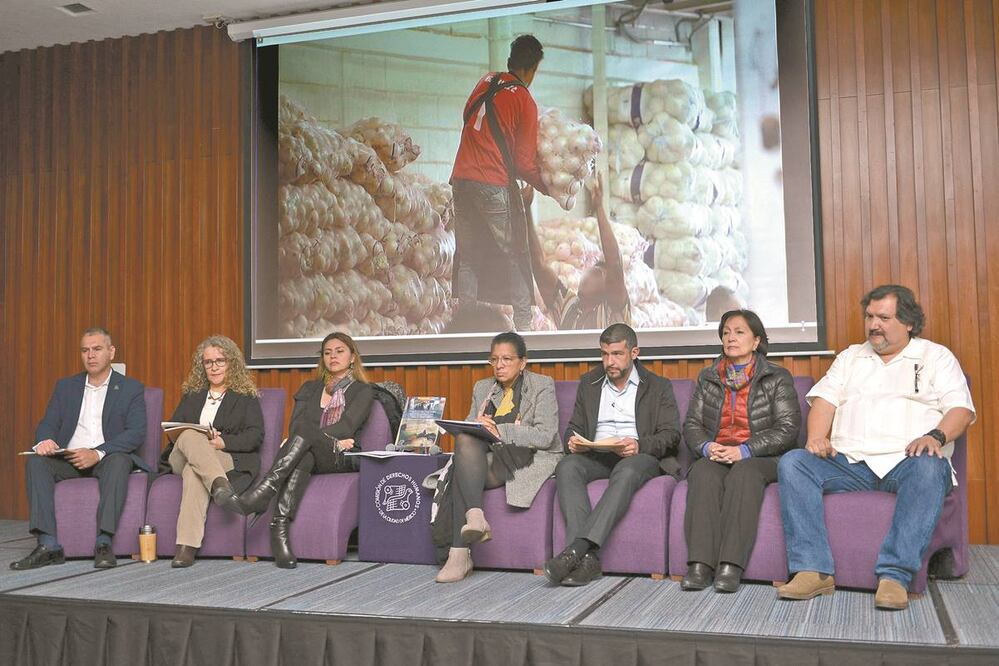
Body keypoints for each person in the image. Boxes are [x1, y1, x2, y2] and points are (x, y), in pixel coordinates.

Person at [777, 285, 975, 610]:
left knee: (932, 466)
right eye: (870, 316)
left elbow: (961, 410)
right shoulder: (850, 357)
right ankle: (813, 570)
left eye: (884, 317)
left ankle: (895, 576)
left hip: (908, 461)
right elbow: (824, 402)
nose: (873, 325)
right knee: (794, 463)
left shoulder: (935, 356)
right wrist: (816, 437)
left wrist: (935, 437)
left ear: (908, 322)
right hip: (848, 462)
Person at [544, 323, 681, 586]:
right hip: (597, 454)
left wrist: (640, 445)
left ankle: (576, 549)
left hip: (637, 456)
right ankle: (589, 562)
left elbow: (671, 434)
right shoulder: (590, 382)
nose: (610, 361)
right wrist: (572, 440)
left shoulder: (658, 385)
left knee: (627, 470)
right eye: (605, 354)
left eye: (617, 354)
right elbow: (575, 425)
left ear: (634, 352)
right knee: (567, 466)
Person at [229, 332, 374, 569]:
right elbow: (295, 426)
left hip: (340, 456)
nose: (333, 356)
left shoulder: (362, 390)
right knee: (303, 454)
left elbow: (347, 426)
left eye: (339, 351)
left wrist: (322, 437)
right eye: (327, 353)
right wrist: (319, 437)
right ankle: (279, 528)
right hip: (311, 452)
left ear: (352, 357)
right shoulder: (310, 389)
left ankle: (263, 493)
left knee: (305, 433)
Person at [680, 310, 801, 593]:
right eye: (726, 332)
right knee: (703, 473)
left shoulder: (777, 377)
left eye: (739, 332)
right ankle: (700, 565)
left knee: (744, 474)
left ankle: (730, 565)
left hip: (762, 457)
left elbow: (787, 428)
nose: (730, 337)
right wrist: (708, 447)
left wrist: (745, 450)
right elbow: (692, 425)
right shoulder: (708, 377)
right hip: (718, 453)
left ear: (756, 340)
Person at [11, 328, 147, 571]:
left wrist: (97, 452)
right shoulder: (66, 387)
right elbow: (48, 423)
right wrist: (44, 440)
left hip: (107, 457)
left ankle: (103, 542)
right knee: (36, 462)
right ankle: (48, 545)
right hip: (70, 458)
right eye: (85, 350)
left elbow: (136, 432)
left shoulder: (130, 388)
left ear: (111, 352)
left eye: (97, 349)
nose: (90, 355)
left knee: (119, 461)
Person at [436, 331, 562, 583]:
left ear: (523, 362)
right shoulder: (483, 387)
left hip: (528, 455)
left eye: (507, 359)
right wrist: (477, 424)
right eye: (494, 360)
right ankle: (475, 517)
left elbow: (545, 435)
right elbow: (471, 430)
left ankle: (459, 554)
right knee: (464, 440)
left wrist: (499, 430)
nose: (499, 366)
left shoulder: (541, 385)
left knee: (463, 470)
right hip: (489, 455)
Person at [451, 34, 548, 331]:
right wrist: (550, 188)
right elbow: (524, 163)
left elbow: (467, 115)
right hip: (491, 181)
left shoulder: (486, 81)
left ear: (510, 62)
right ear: (532, 69)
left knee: (468, 255)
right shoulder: (525, 100)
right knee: (517, 253)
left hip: (461, 179)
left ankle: (464, 326)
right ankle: (524, 328)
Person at [161, 335, 263, 568]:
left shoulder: (245, 397)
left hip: (223, 456)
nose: (214, 367)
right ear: (202, 366)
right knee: (188, 435)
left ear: (231, 363)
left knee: (193, 472)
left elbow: (255, 435)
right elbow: (175, 428)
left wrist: (222, 442)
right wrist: (194, 437)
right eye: (208, 362)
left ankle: (186, 547)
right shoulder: (193, 394)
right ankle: (220, 486)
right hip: (183, 453)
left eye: (220, 361)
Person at [526, 173, 631, 330]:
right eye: (589, 272)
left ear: (608, 287)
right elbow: (538, 265)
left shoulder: (613, 310)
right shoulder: (567, 305)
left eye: (597, 274)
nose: (587, 276)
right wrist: (526, 209)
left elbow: (614, 262)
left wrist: (599, 208)